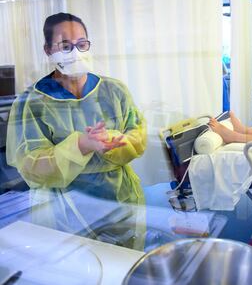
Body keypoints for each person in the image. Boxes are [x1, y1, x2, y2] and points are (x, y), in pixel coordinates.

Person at [6, 12, 147, 205]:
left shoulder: (114, 90)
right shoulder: (32, 102)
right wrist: (81, 145)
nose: (75, 53)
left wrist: (110, 140)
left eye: (81, 45)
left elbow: (137, 135)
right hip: (65, 208)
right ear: (48, 50)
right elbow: (30, 166)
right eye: (65, 46)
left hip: (120, 198)